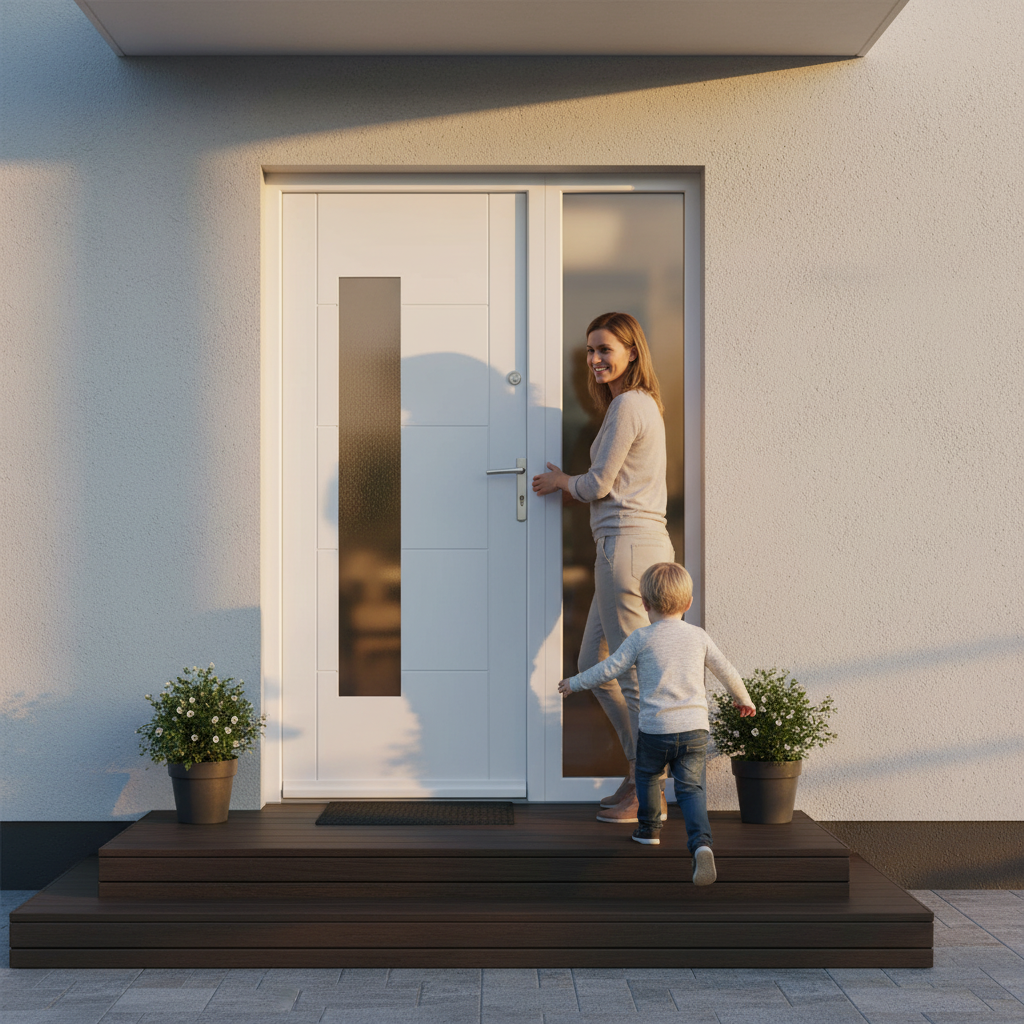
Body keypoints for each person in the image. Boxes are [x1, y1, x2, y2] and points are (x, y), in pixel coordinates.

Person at [533, 311, 673, 822]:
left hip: (627, 548)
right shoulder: (638, 405)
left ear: (631, 352)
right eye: (590, 351)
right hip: (627, 547)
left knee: (631, 674)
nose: (594, 359)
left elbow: (597, 485)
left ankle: (646, 791)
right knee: (593, 662)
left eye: (604, 349)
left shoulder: (629, 406)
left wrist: (562, 483)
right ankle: (640, 767)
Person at [557, 563, 755, 885]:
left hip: (655, 730)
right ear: (688, 603)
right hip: (694, 730)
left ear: (645, 604)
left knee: (649, 776)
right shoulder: (698, 637)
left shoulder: (641, 638)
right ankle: (701, 845)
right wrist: (744, 699)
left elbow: (608, 668)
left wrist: (575, 682)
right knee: (691, 790)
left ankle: (649, 830)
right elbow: (727, 669)